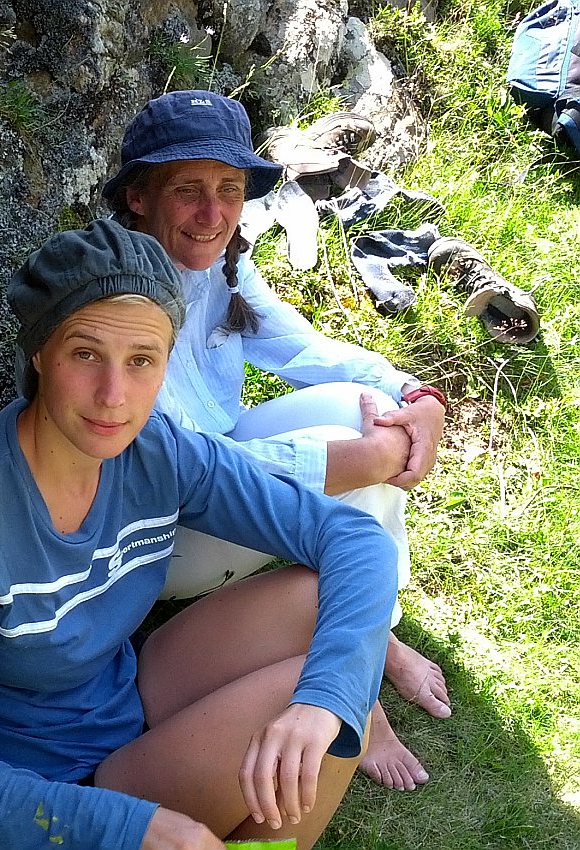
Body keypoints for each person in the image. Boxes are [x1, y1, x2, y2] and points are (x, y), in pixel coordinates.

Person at [0, 219, 398, 850]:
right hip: (51, 790)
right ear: (40, 353)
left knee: (330, 665)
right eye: (86, 354)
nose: (113, 396)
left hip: (127, 691)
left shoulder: (156, 449)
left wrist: (326, 699)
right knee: (331, 691)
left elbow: (355, 540)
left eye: (142, 361)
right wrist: (135, 828)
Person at [102, 90, 450, 792]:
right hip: (157, 533)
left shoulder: (218, 266)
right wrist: (360, 460)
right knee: (354, 449)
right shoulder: (117, 297)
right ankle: (360, 684)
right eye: (188, 190)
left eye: (229, 190)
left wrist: (417, 397)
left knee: (369, 409)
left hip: (217, 473)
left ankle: (367, 637)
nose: (213, 213)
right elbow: (186, 471)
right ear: (138, 197)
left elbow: (307, 349)